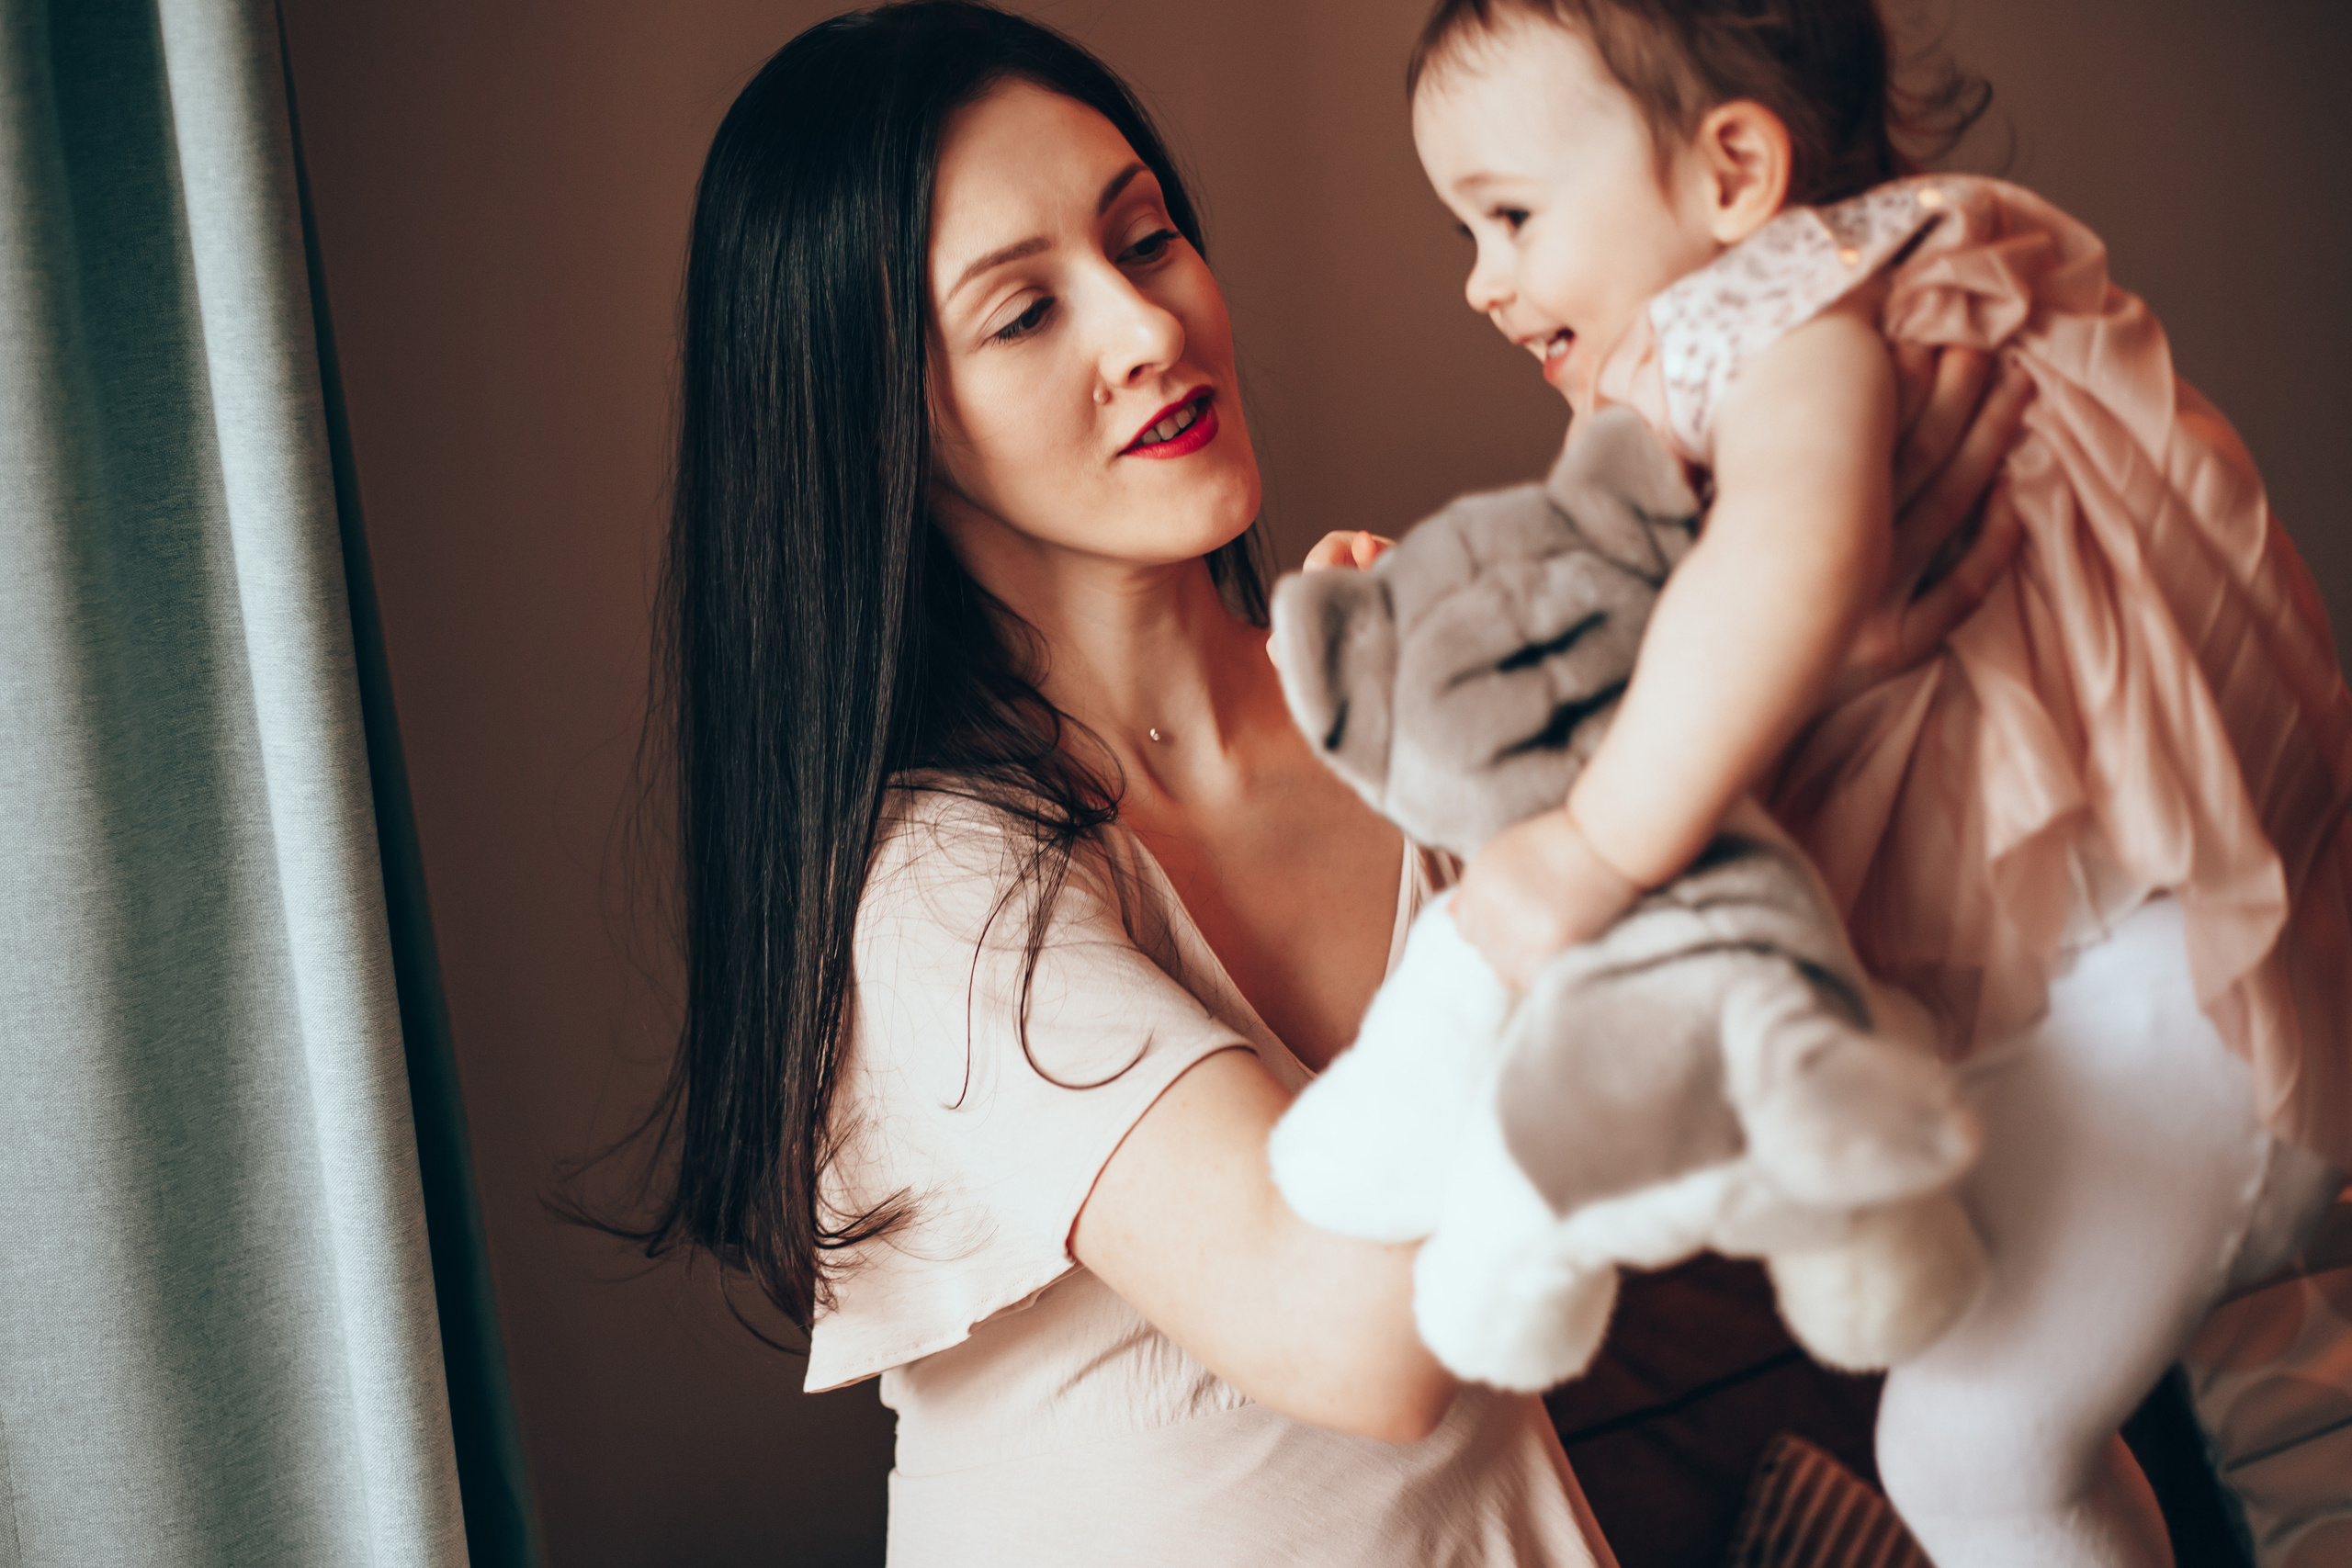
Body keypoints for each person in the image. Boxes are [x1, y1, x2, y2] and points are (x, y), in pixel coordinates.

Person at [604, 3, 2017, 1562]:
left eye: (1142, 242)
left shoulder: (1417, 707)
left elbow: (1780, 1033)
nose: (1147, 331)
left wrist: (1803, 641)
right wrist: (1586, 828)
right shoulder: (940, 892)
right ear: (878, 420)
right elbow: (1360, 1336)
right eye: (1024, 314)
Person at [1406, 1, 2352, 1562]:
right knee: (2049, 1423)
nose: (1482, 281)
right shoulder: (1851, 300)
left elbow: (1791, 558)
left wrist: (1587, 848)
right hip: (2139, 972)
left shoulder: (1776, 313)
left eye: (1507, 216)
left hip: (2157, 985)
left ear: (1732, 172)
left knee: (1975, 1448)